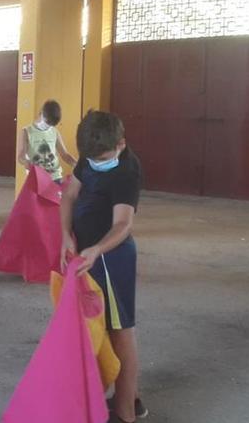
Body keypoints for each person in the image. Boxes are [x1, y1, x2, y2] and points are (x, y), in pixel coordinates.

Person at [60, 110, 146, 423]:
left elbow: (122, 224)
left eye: (103, 158)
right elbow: (69, 195)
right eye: (92, 159)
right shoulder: (90, 153)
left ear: (120, 143)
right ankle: (129, 395)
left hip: (112, 258)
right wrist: (65, 236)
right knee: (96, 328)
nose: (97, 163)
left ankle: (126, 411)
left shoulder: (126, 171)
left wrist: (96, 249)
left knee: (120, 330)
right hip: (86, 254)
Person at [16, 100, 77, 183]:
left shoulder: (54, 131)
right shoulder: (26, 132)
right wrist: (25, 162)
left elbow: (64, 154)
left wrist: (77, 165)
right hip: (36, 178)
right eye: (47, 122)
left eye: (52, 125)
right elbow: (20, 156)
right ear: (41, 113)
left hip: (55, 177)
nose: (48, 126)